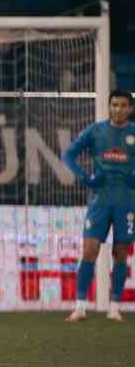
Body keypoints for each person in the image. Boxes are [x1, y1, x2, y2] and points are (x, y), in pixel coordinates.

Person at [62, 90, 134, 322]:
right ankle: (80, 307)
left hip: (127, 202)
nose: (118, 109)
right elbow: (69, 155)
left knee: (120, 252)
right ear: (109, 106)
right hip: (99, 201)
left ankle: (114, 307)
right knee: (90, 250)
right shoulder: (96, 131)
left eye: (123, 105)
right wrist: (85, 177)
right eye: (114, 105)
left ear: (130, 109)